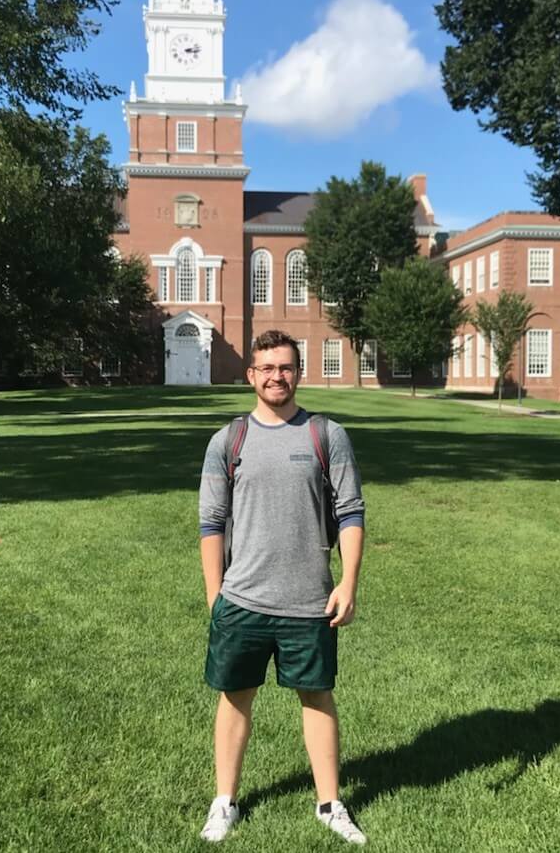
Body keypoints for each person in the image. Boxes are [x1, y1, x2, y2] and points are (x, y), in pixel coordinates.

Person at [197, 329, 367, 844]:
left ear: (299, 372)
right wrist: (215, 597)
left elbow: (351, 512)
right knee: (235, 698)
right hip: (243, 599)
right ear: (251, 375)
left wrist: (349, 582)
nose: (277, 376)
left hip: (309, 601)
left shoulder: (325, 435)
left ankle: (330, 804)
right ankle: (224, 801)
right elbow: (211, 522)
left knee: (317, 697)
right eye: (267, 368)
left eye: (286, 367)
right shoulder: (229, 440)